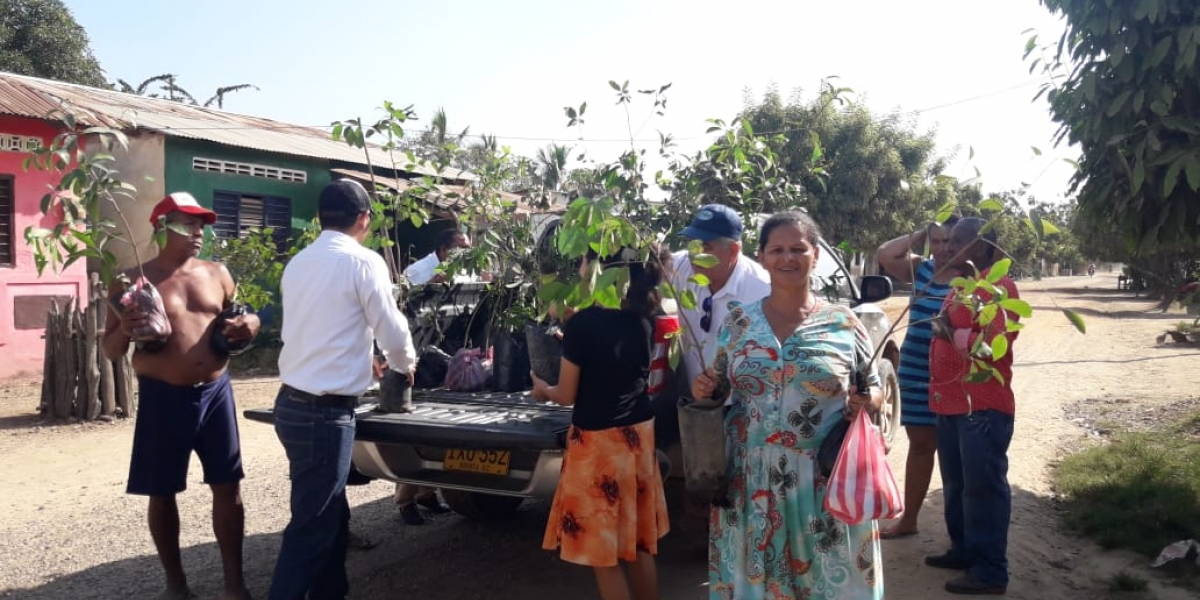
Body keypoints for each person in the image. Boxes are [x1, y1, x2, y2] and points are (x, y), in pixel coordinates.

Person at [692, 211, 885, 600]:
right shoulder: (739, 324)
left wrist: (864, 400)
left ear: (815, 255)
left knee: (829, 584)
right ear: (761, 257)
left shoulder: (843, 323)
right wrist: (705, 390)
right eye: (777, 249)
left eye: (798, 249)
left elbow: (876, 390)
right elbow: (718, 388)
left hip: (822, 480)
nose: (788, 258)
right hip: (749, 482)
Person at [102, 191, 260, 600]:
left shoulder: (217, 273)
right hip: (163, 395)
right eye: (187, 224)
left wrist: (251, 324)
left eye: (202, 224)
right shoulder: (132, 280)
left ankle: (235, 585)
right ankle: (176, 585)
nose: (197, 232)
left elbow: (240, 316)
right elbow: (111, 349)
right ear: (160, 226)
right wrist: (125, 326)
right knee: (162, 490)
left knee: (228, 486)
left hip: (216, 393)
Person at [269, 179, 417, 600]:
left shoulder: (298, 262)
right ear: (363, 219)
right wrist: (405, 365)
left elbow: (316, 327)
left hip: (292, 405)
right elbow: (391, 326)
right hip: (323, 414)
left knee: (328, 513)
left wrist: (360, 357)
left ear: (320, 219)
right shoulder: (363, 261)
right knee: (312, 528)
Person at [531, 246, 670, 600]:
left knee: (603, 557)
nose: (578, 267)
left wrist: (542, 389)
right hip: (637, 437)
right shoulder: (642, 318)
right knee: (639, 545)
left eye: (582, 260)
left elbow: (566, 395)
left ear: (598, 269)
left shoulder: (582, 324)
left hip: (598, 444)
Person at [925, 217, 1020, 595]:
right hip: (951, 403)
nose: (948, 248)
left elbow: (990, 350)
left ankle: (990, 571)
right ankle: (964, 550)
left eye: (959, 242)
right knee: (957, 484)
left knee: (983, 488)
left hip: (981, 405)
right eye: (946, 241)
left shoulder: (1000, 289)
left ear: (985, 249)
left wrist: (947, 331)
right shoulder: (959, 288)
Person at [874, 216, 960, 539]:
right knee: (921, 445)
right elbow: (885, 254)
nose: (942, 248)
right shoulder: (921, 269)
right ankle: (909, 519)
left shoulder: (970, 278)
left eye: (949, 241)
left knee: (954, 450)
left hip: (951, 372)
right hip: (913, 366)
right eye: (936, 241)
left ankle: (960, 534)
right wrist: (924, 229)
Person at [395, 227, 469, 522]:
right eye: (462, 246)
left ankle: (426, 494)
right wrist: (430, 284)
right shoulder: (418, 269)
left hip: (444, 354)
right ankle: (404, 501)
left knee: (438, 430)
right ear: (444, 249)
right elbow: (402, 308)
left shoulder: (463, 269)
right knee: (415, 430)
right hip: (419, 356)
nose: (467, 251)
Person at [403, 228, 472, 284]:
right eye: (461, 248)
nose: (465, 253)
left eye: (467, 249)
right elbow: (407, 298)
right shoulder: (416, 271)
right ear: (443, 249)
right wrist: (433, 283)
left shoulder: (466, 271)